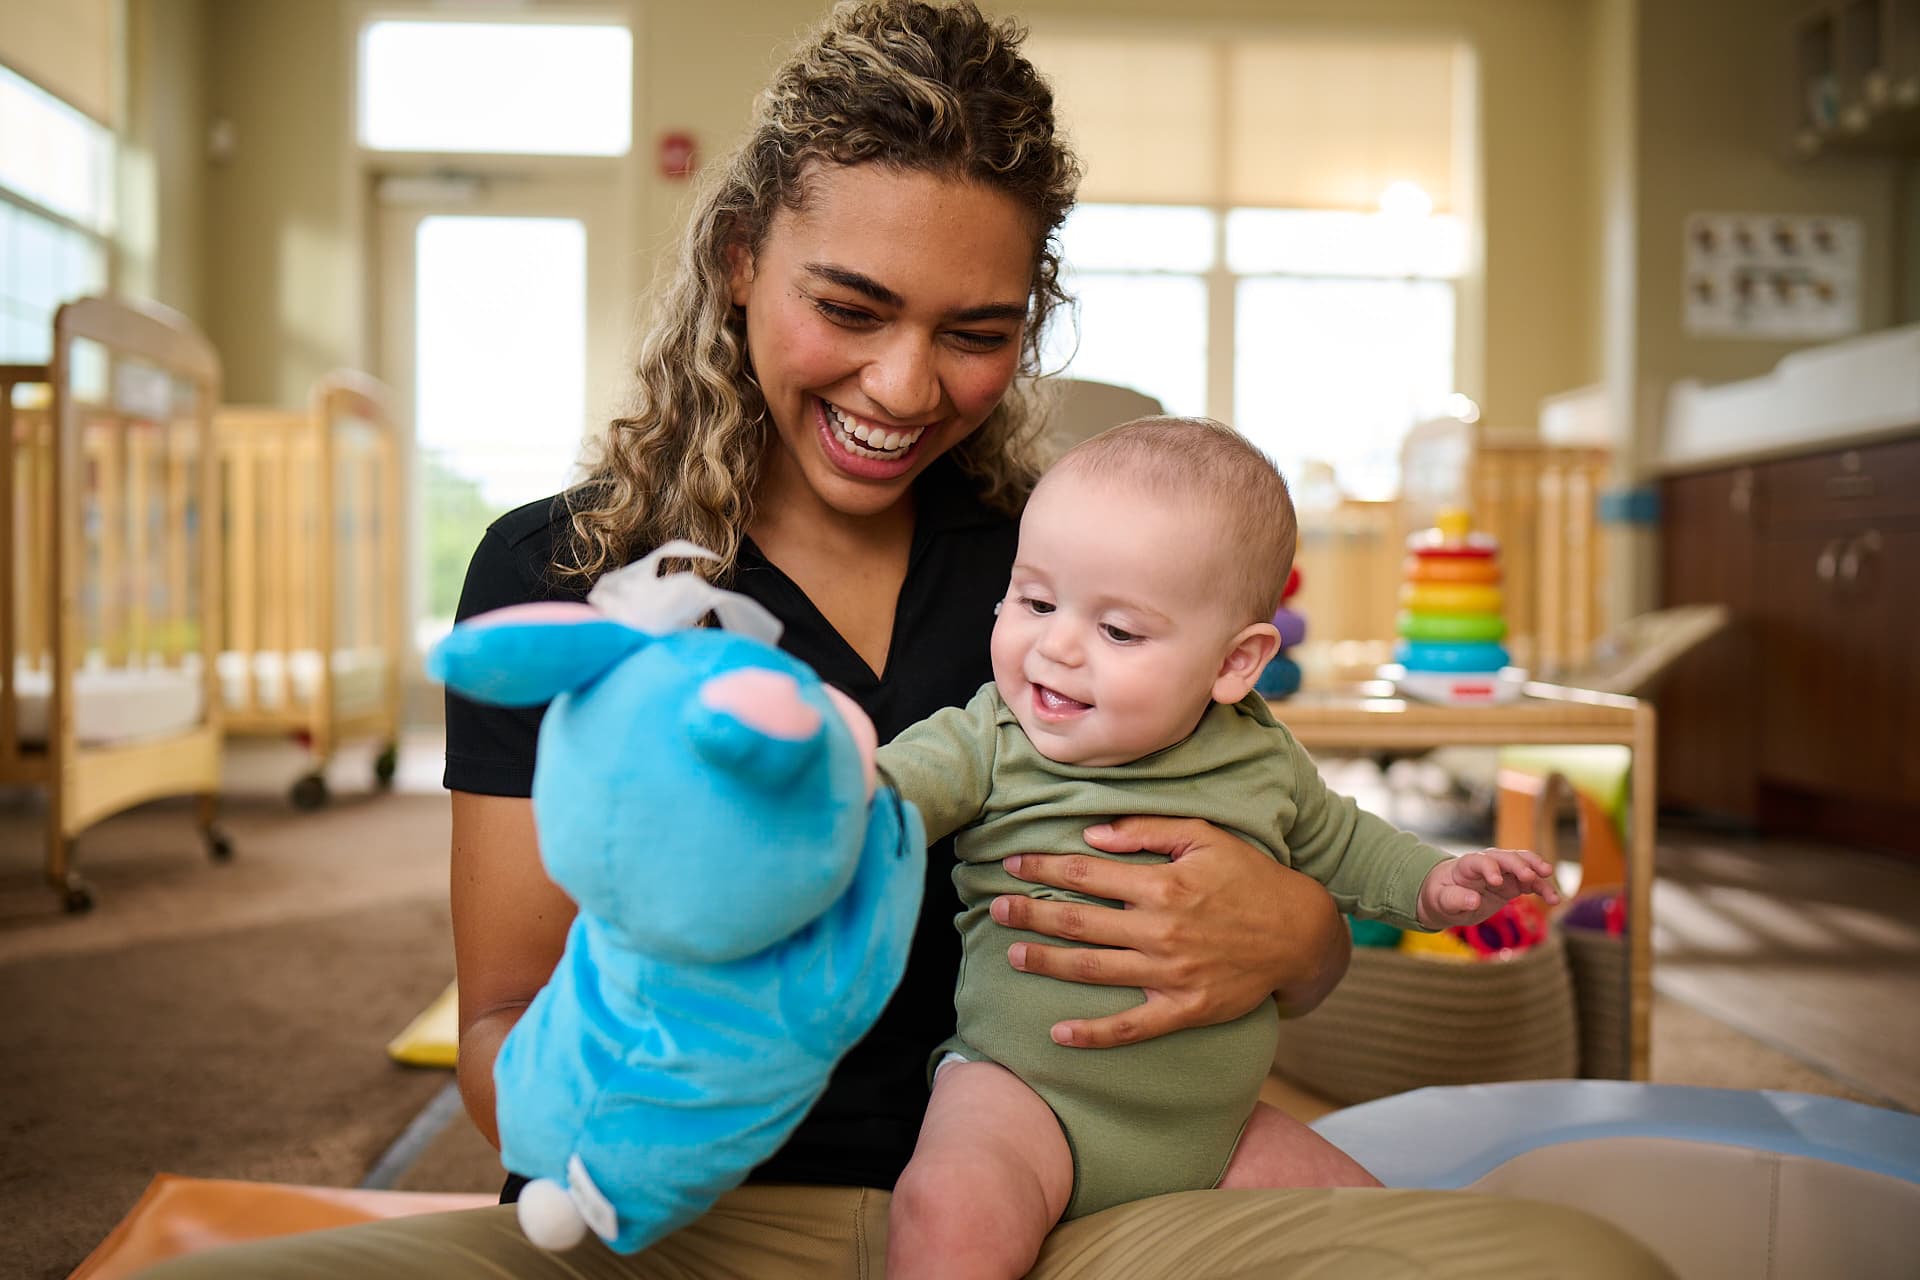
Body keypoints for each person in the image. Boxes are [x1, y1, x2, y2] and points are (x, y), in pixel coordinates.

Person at [140, 4, 1673, 1275]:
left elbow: (1301, 874)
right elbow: (498, 1027)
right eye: (852, 304)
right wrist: (618, 1116)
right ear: (741, 258)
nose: (903, 384)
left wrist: (1298, 937)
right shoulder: (566, 572)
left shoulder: (1065, 583)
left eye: (975, 329)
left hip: (1082, 1204)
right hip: (678, 1222)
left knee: (1584, 1264)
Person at [876, 417, 1561, 1279]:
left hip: (1216, 1131)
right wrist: (824, 795)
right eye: (1035, 601)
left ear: (1235, 664)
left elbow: (1346, 843)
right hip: (1020, 1095)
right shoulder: (992, 733)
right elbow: (889, 789)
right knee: (950, 1210)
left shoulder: (1260, 757)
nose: (1055, 645)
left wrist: (1439, 882)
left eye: (1119, 632)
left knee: (1391, 1233)